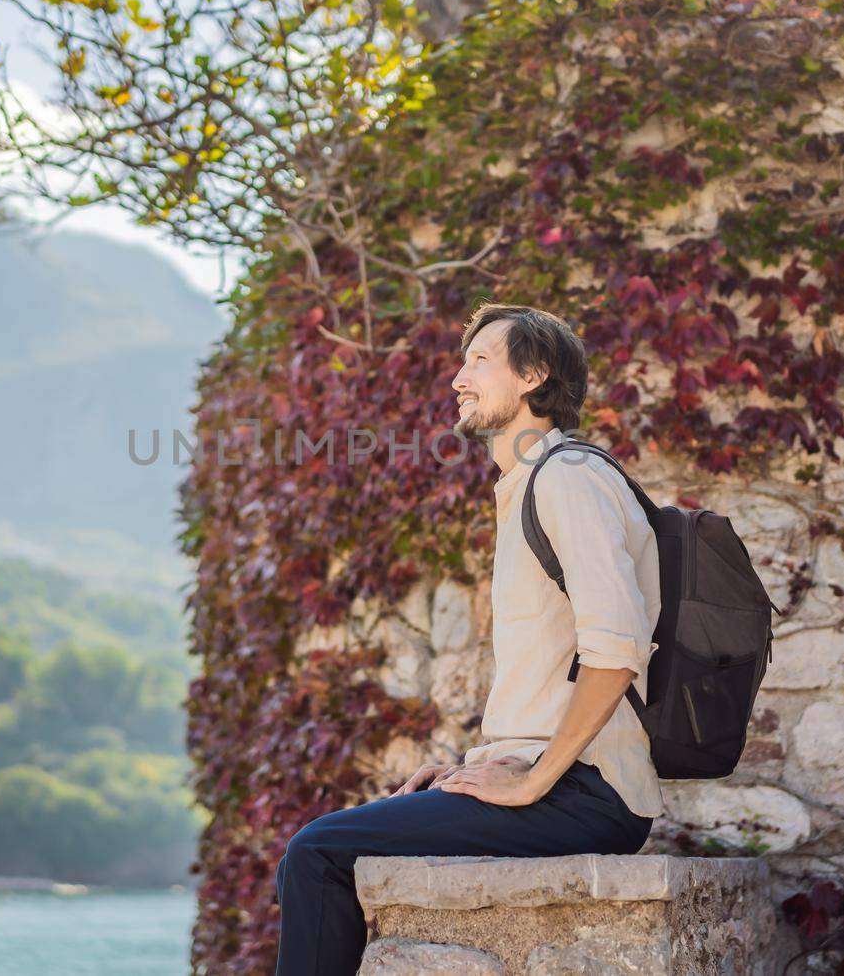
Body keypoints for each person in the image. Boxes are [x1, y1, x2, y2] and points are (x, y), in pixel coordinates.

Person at [273, 302, 664, 975]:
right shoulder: (531, 482)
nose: (459, 377)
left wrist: (533, 778)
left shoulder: (567, 478)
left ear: (534, 375)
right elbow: (551, 674)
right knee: (330, 843)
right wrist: (474, 766)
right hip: (559, 781)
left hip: (588, 793)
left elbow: (618, 647)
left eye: (480, 360)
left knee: (316, 852)